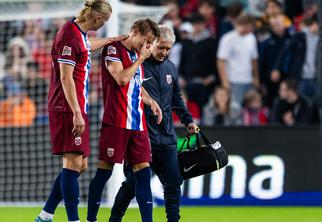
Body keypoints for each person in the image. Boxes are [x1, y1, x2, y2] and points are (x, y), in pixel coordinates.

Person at [35, 1, 128, 221]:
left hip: (76, 106)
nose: (103, 25)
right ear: (97, 19)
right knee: (73, 164)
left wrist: (111, 40)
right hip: (67, 107)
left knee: (80, 165)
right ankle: (73, 219)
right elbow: (66, 77)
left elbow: (86, 45)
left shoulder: (77, 33)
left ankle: (45, 215)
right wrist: (76, 112)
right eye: (104, 22)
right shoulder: (68, 35)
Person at [108, 24, 199, 222]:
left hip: (166, 137)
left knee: (174, 183)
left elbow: (176, 99)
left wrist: (188, 120)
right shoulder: (136, 64)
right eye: (161, 47)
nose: (164, 52)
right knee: (132, 184)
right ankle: (115, 219)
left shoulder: (170, 68)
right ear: (152, 43)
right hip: (141, 135)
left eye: (168, 49)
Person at [86, 18, 161, 222]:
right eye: (145, 40)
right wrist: (141, 60)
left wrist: (150, 100)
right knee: (104, 172)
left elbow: (135, 83)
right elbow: (121, 78)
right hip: (116, 122)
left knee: (143, 175)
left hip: (137, 124)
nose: (145, 46)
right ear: (134, 31)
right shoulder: (113, 50)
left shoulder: (138, 54)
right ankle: (90, 219)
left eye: (149, 43)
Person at [217, 14, 260, 105]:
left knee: (250, 108)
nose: (251, 29)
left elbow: (254, 59)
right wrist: (224, 81)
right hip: (234, 80)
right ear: (244, 25)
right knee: (236, 108)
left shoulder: (251, 37)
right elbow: (220, 61)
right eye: (249, 27)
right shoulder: (228, 38)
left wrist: (256, 77)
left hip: (248, 79)